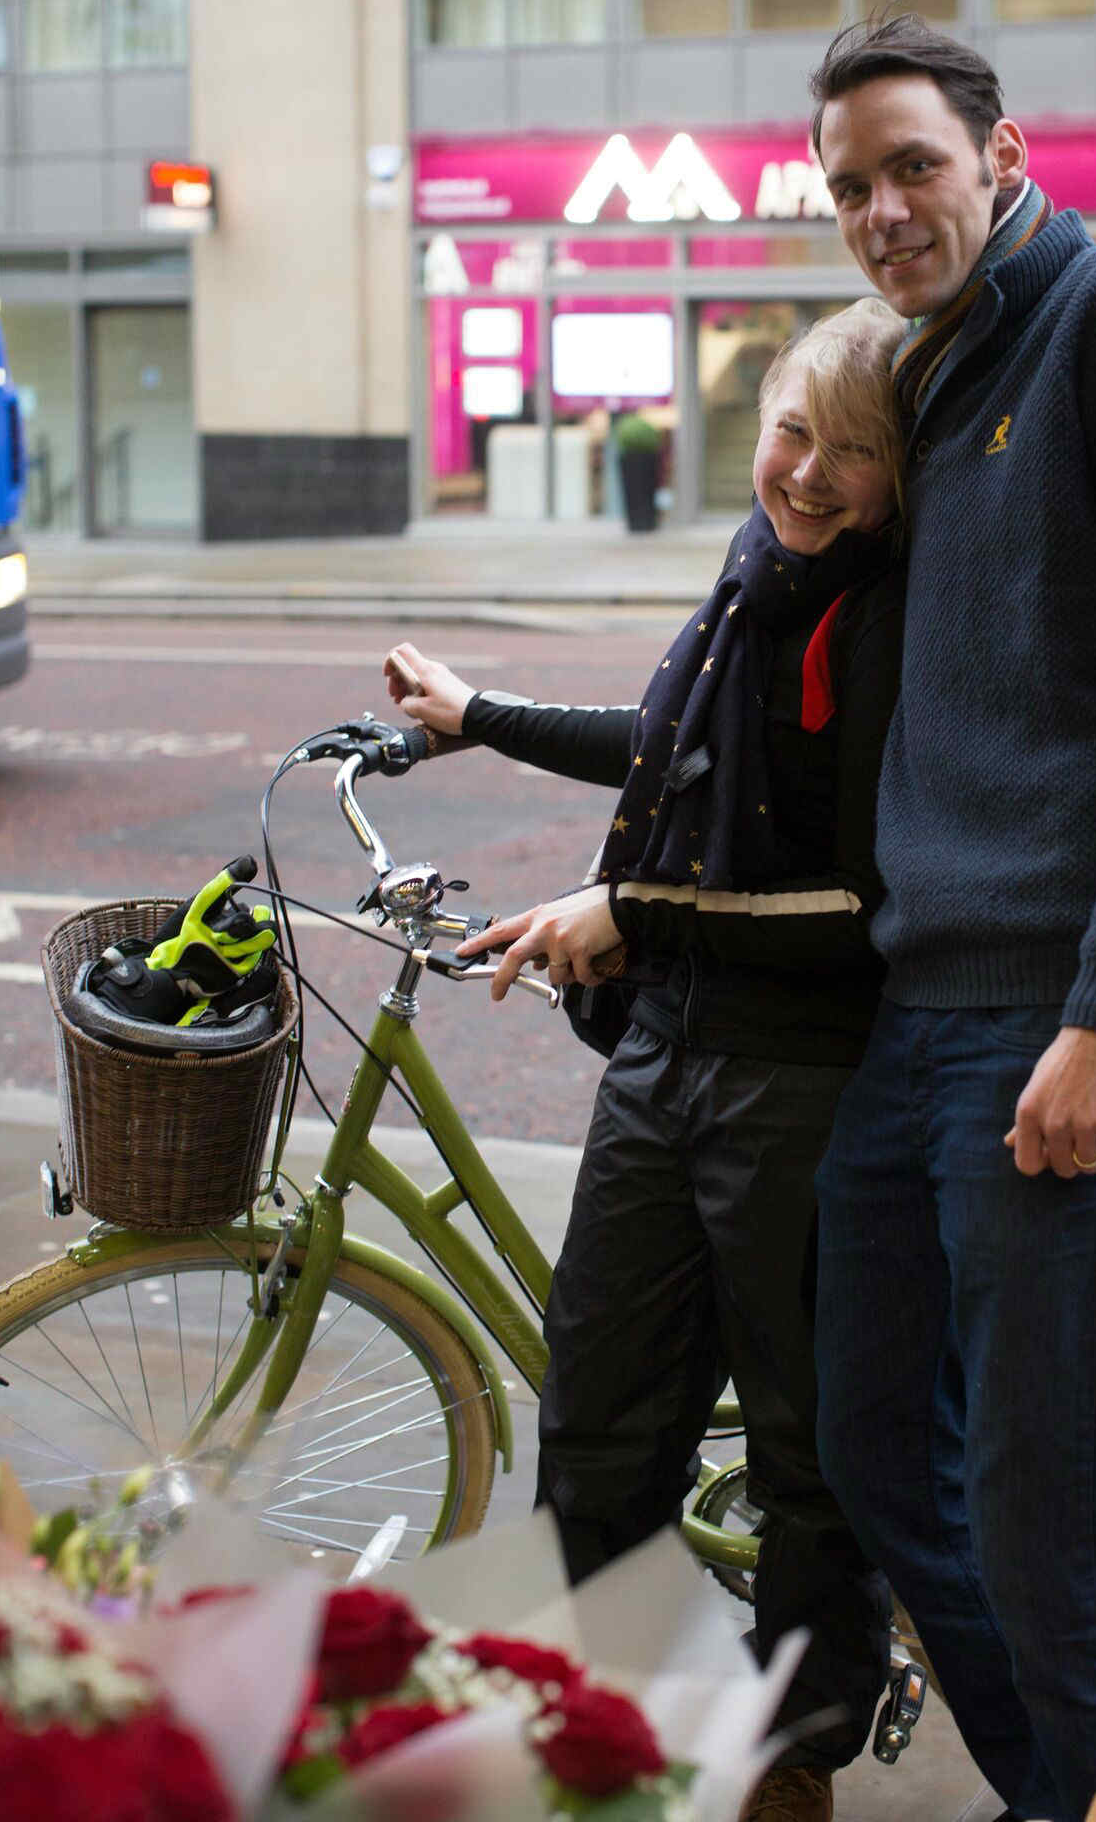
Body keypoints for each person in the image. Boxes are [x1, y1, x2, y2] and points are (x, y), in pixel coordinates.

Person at [802, 13, 1096, 1822]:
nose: (880, 208)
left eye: (911, 164)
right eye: (847, 185)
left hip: (1056, 1022)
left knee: (1057, 1497)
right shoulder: (933, 375)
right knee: (877, 1448)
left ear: (1002, 155)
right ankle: (1061, 1792)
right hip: (918, 1020)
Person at [385, 300, 905, 1822]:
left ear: (901, 476)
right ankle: (614, 1729)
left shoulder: (888, 622)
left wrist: (629, 905)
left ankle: (788, 1762)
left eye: (851, 453)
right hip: (670, 1060)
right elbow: (676, 748)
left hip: (804, 1085)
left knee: (810, 1462)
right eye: (792, 432)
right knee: (594, 1430)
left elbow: (876, 906)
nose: (805, 474)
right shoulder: (759, 577)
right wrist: (484, 718)